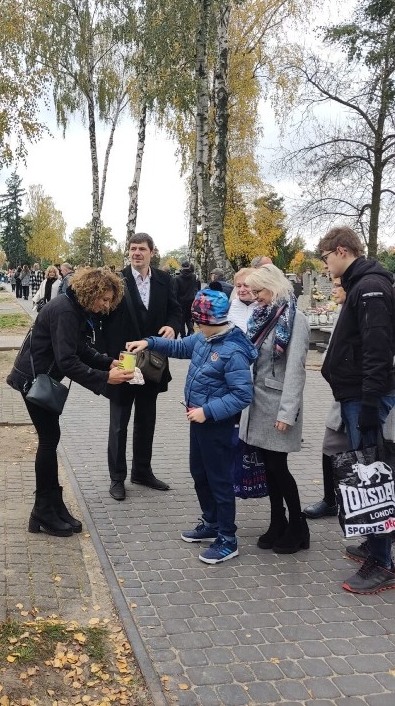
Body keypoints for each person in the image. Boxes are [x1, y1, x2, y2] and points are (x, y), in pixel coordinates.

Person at [127, 289, 257, 563]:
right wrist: (148, 342)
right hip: (198, 421)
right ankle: (210, 522)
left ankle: (227, 539)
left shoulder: (232, 351)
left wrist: (208, 412)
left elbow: (243, 395)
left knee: (219, 480)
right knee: (199, 473)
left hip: (215, 425)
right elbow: (178, 347)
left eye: (199, 322)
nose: (196, 327)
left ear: (213, 321)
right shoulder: (204, 338)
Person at [7, 267, 134, 536]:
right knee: (49, 440)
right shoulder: (65, 310)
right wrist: (104, 378)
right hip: (33, 381)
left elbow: (80, 348)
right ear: (92, 292)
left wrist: (107, 361)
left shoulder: (73, 308)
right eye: (104, 299)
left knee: (50, 439)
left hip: (41, 379)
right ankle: (43, 509)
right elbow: (67, 360)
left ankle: (52, 505)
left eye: (109, 300)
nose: (106, 305)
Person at [318, 226, 395, 593]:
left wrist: (368, 402)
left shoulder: (370, 288)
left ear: (342, 251)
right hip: (355, 394)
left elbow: (377, 349)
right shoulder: (361, 285)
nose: (325, 263)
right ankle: (373, 545)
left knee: (371, 477)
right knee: (365, 472)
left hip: (365, 398)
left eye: (326, 256)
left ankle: (382, 562)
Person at [102, 233, 183, 501]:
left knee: (147, 419)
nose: (137, 253)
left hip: (153, 362)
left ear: (152, 252)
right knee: (119, 423)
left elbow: (176, 310)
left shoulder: (164, 280)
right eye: (133, 249)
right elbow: (103, 317)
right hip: (123, 359)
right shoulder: (116, 281)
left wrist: (172, 325)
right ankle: (117, 478)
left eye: (142, 249)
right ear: (128, 252)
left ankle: (142, 471)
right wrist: (106, 358)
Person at [240, 264, 310, 554]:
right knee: (268, 467)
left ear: (274, 286)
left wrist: (287, 413)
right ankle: (276, 520)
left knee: (279, 467)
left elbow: (296, 369)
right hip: (258, 404)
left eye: (259, 291)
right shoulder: (262, 315)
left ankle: (298, 525)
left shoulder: (296, 319)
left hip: (278, 405)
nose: (255, 297)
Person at [302, 279, 347, 520]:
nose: (334, 290)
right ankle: (330, 500)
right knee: (330, 447)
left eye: (339, 285)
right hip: (342, 396)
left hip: (366, 396)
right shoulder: (342, 310)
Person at [174, 261, 201, 337]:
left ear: (181, 267)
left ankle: (183, 336)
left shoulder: (177, 278)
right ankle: (191, 331)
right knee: (190, 318)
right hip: (192, 301)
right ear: (189, 266)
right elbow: (198, 289)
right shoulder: (194, 277)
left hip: (180, 303)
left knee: (181, 321)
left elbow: (175, 292)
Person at [228, 268, 256, 333]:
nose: (242, 290)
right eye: (239, 286)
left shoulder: (264, 307)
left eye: (246, 285)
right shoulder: (229, 307)